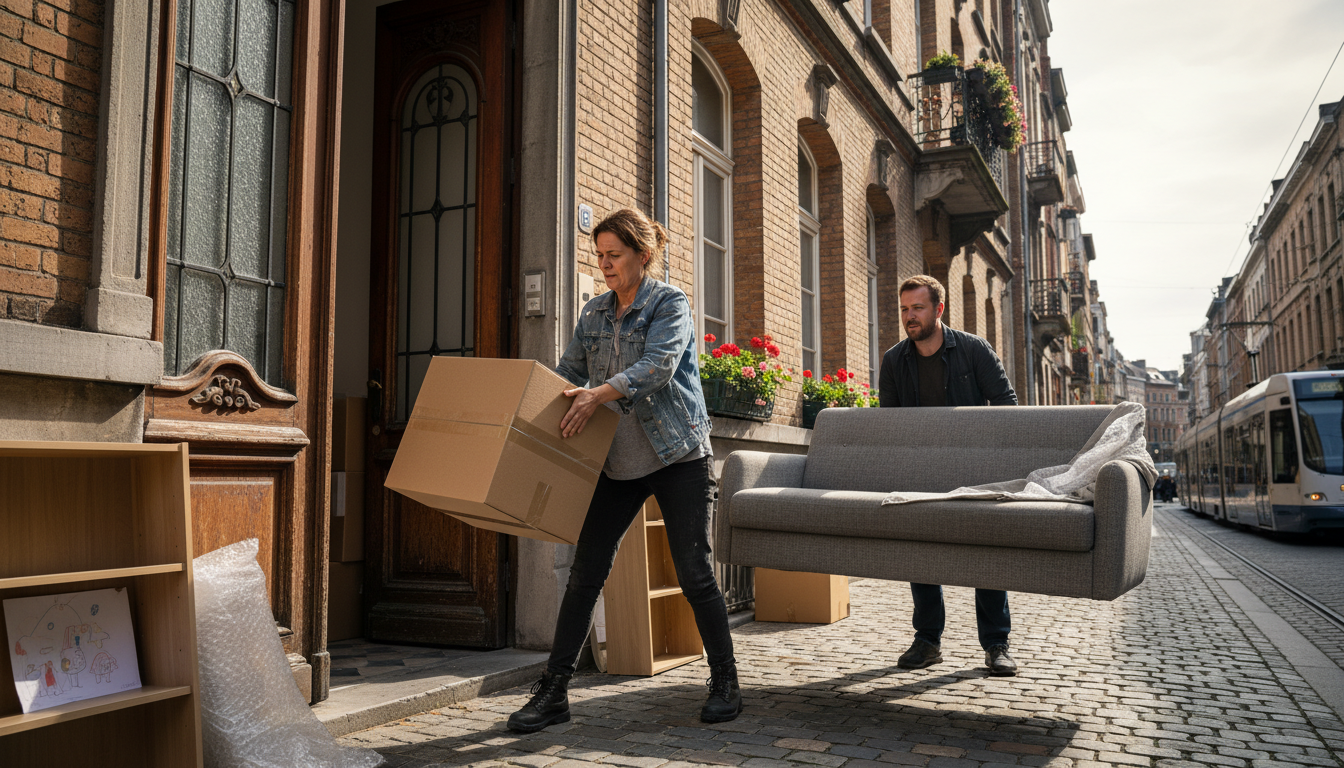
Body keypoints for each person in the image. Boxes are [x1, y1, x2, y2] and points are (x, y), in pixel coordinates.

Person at [506, 208, 741, 733]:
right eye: (600, 255)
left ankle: (725, 680)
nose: (605, 264)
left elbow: (657, 366)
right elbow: (567, 373)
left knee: (694, 572)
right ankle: (554, 692)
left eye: (614, 255)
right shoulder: (593, 313)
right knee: (586, 572)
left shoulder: (669, 302)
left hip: (677, 453)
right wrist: (525, 404)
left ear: (641, 254)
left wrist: (598, 394)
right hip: (616, 461)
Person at [877, 274, 1021, 677]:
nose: (910, 316)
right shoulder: (893, 361)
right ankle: (927, 641)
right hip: (919, 471)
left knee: (984, 554)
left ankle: (996, 645)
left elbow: (1006, 405)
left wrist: (991, 456)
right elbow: (890, 425)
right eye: (904, 309)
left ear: (938, 309)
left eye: (917, 308)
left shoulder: (974, 350)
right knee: (921, 555)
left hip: (977, 469)